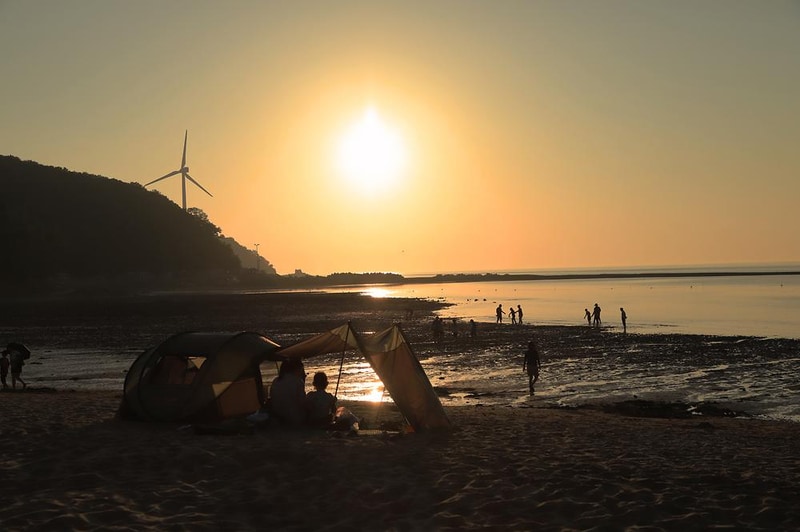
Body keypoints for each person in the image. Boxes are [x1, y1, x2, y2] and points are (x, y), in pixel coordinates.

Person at [269, 358, 306, 427]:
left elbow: (272, 397)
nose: (303, 374)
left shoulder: (276, 380)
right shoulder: (298, 382)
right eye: (301, 370)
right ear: (297, 369)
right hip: (293, 419)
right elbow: (302, 402)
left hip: (277, 417)